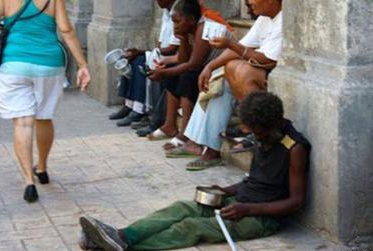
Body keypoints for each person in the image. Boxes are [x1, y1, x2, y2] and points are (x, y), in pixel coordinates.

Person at [78, 92, 311, 251]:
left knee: (192, 227)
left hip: (262, 218)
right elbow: (257, 181)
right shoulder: (266, 134)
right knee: (182, 208)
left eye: (258, 132)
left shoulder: (295, 148)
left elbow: (296, 202)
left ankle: (118, 244)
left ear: (275, 123)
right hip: (242, 202)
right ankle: (122, 235)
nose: (255, 138)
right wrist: (226, 191)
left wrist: (248, 210)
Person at [0, 0, 91, 202]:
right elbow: (66, 29)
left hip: (13, 64)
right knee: (44, 117)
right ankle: (42, 167)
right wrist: (82, 64)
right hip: (48, 64)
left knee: (23, 122)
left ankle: (29, 182)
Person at [168, 0, 282, 169]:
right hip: (260, 72)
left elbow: (267, 60)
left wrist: (230, 44)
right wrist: (210, 66)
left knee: (240, 70)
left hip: (273, 72)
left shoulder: (283, 20)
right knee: (218, 78)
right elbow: (242, 46)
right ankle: (209, 147)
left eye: (252, 0)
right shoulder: (264, 19)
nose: (249, 3)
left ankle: (253, 127)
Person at [146, 0, 231, 148]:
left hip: (222, 69)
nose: (175, 26)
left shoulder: (204, 29)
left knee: (188, 77)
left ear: (191, 19)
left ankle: (185, 132)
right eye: (173, 22)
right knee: (174, 75)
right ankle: (169, 124)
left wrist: (163, 72)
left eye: (178, 21)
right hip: (206, 68)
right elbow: (183, 59)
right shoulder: (191, 29)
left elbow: (193, 64)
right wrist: (183, 39)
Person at [109, 0, 180, 127]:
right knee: (130, 60)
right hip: (161, 54)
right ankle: (129, 105)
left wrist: (144, 52)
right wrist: (148, 52)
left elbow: (173, 48)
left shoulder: (178, 11)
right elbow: (160, 43)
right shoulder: (166, 12)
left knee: (140, 63)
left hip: (171, 56)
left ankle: (138, 109)